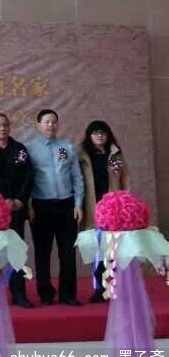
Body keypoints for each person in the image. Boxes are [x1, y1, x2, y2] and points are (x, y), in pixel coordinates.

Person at [26, 109, 84, 306]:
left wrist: (78, 204)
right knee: (42, 252)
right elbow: (26, 180)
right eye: (46, 122)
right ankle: (46, 293)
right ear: (38, 125)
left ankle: (68, 294)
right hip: (41, 206)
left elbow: (77, 177)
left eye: (54, 122)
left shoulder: (67, 147)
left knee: (68, 252)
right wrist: (28, 205)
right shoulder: (29, 148)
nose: (51, 125)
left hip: (67, 205)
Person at [0, 112, 34, 308]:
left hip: (17, 208)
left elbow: (29, 176)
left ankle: (18, 294)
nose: (2, 129)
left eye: (5, 125)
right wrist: (1, 202)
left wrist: (19, 200)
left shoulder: (19, 149)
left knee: (16, 251)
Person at [78, 120, 130, 303]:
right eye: (95, 133)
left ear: (108, 135)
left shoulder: (116, 154)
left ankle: (116, 287)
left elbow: (126, 181)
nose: (99, 136)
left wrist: (125, 205)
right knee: (97, 251)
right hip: (92, 209)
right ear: (89, 136)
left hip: (114, 210)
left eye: (103, 132)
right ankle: (98, 289)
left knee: (114, 250)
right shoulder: (82, 156)